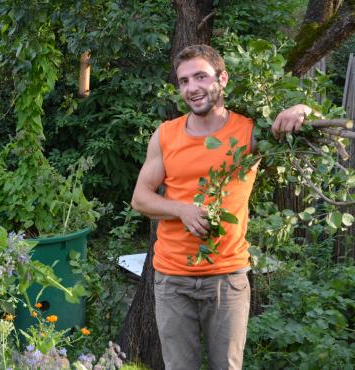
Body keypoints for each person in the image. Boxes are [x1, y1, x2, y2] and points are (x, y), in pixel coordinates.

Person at [130, 44, 311, 370]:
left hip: (227, 278)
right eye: (184, 81)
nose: (191, 88)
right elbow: (140, 197)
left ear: (222, 78)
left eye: (200, 76)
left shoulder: (250, 132)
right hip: (172, 279)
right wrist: (181, 209)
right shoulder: (165, 135)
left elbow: (303, 125)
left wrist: (301, 108)